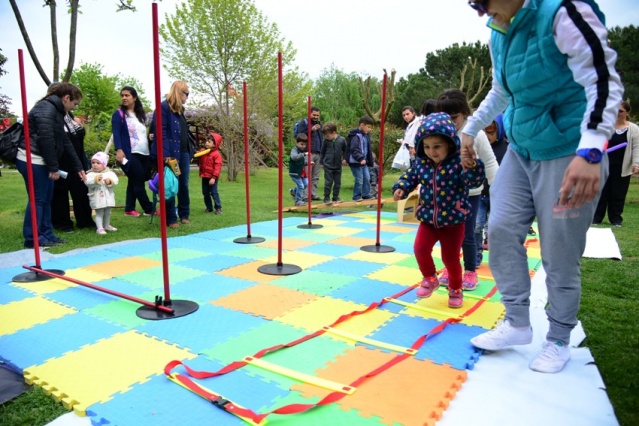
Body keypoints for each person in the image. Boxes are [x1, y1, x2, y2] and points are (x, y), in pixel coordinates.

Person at [464, 0, 622, 373]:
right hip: (521, 149)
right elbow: (502, 90)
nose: (481, 12)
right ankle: (517, 322)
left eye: (484, 2)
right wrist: (470, 129)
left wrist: (591, 150)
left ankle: (558, 338)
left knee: (559, 254)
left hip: (569, 151)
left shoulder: (564, 12)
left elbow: (603, 80)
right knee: (500, 230)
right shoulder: (499, 31)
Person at [392, 113, 485, 308]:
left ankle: (456, 289)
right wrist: (401, 187)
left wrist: (473, 166)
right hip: (428, 219)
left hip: (453, 221)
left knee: (450, 258)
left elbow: (474, 182)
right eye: (426, 147)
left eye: (437, 147)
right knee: (419, 249)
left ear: (450, 144)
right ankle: (430, 278)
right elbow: (410, 176)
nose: (431, 152)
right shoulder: (421, 163)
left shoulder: (458, 164)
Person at [436, 89, 499, 291]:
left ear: (464, 113)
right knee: (447, 234)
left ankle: (470, 270)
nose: (451, 122)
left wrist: (497, 191)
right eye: (446, 117)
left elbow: (490, 163)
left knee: (468, 233)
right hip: (447, 194)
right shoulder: (441, 133)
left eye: (454, 117)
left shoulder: (476, 134)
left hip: (471, 194)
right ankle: (450, 267)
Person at [16, 82, 86, 248]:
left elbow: (64, 140)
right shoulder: (46, 109)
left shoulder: (56, 110)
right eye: (74, 104)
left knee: (47, 199)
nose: (73, 108)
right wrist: (53, 167)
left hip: (40, 159)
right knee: (38, 199)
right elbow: (45, 140)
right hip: (32, 159)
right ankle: (32, 238)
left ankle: (47, 234)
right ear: (66, 98)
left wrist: (78, 166)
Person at [150, 81, 194, 228]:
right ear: (179, 92)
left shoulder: (181, 110)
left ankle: (184, 214)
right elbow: (160, 132)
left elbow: (184, 133)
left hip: (183, 153)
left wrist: (190, 150)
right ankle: (170, 218)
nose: (187, 97)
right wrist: (166, 155)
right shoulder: (163, 108)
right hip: (171, 155)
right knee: (170, 185)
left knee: (183, 184)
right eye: (186, 94)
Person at [51, 97, 95, 232]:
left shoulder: (69, 116)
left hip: (77, 160)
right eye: (74, 103)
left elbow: (77, 137)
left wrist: (80, 126)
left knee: (81, 190)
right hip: (62, 161)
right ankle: (62, 223)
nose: (75, 106)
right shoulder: (53, 116)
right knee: (61, 192)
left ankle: (85, 220)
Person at [593, 100, 639, 227]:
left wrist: (636, 164)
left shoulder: (633, 129)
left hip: (622, 167)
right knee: (600, 192)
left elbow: (636, 148)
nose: (616, 113)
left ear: (627, 113)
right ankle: (596, 218)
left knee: (617, 194)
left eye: (620, 111)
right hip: (603, 165)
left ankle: (616, 219)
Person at [112, 86, 154, 218]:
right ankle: (149, 208)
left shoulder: (140, 115)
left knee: (134, 180)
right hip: (130, 153)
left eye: (127, 95)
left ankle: (129, 208)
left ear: (134, 98)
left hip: (144, 153)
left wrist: (150, 138)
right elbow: (116, 133)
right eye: (122, 95)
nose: (124, 98)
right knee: (139, 180)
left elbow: (141, 134)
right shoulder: (119, 114)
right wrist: (119, 150)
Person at [475, 114, 509, 267]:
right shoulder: (479, 146)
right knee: (476, 225)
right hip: (480, 194)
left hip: (498, 196)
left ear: (499, 129)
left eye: (490, 131)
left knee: (496, 229)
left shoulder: (507, 148)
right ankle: (475, 255)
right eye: (484, 131)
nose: (487, 135)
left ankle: (499, 258)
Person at [84, 152, 119, 235]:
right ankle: (99, 228)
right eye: (93, 163)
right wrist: (95, 180)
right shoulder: (90, 174)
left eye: (98, 163)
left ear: (104, 164)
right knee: (99, 213)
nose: (95, 165)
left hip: (108, 198)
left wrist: (110, 181)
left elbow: (116, 181)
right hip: (97, 198)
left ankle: (106, 225)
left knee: (107, 212)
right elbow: (87, 182)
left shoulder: (110, 173)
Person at [296, 106, 322, 201]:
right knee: (306, 175)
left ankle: (313, 194)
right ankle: (305, 195)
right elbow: (300, 135)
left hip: (318, 152)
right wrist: (312, 129)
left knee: (315, 176)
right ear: (309, 113)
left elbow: (320, 138)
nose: (315, 117)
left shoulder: (319, 123)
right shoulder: (304, 123)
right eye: (314, 115)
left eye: (317, 115)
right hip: (307, 152)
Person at [347, 116, 375, 201]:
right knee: (359, 179)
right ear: (362, 125)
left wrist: (370, 160)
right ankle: (356, 196)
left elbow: (368, 149)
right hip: (356, 162)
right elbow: (354, 149)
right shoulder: (356, 136)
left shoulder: (366, 136)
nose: (369, 129)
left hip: (364, 162)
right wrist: (360, 158)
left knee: (367, 178)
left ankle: (366, 194)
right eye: (368, 127)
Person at [320, 122, 347, 204]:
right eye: (325, 136)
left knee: (337, 183)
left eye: (327, 135)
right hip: (328, 165)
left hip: (338, 165)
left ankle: (335, 197)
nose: (326, 137)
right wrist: (321, 162)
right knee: (328, 182)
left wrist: (345, 159)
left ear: (334, 132)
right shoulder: (325, 141)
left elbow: (346, 150)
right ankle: (326, 198)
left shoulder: (342, 140)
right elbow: (322, 152)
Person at [198, 132, 223, 214]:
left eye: (209, 142)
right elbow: (197, 154)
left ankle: (218, 208)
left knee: (214, 192)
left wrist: (213, 177)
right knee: (205, 192)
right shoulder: (204, 152)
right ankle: (209, 207)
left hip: (212, 177)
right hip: (204, 176)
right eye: (206, 141)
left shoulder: (216, 155)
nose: (206, 143)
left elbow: (217, 167)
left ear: (214, 144)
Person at [289, 133, 311, 206]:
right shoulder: (294, 150)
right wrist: (304, 154)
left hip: (301, 172)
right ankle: (298, 201)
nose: (303, 146)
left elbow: (301, 162)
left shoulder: (301, 150)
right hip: (294, 172)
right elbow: (294, 157)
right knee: (301, 186)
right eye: (301, 144)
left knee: (305, 184)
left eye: (305, 145)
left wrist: (308, 163)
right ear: (296, 142)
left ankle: (293, 191)